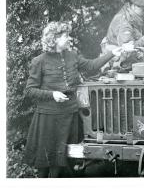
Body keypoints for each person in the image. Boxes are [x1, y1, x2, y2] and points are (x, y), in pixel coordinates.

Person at [24, 21, 126, 178]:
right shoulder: (39, 61)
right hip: (49, 118)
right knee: (47, 162)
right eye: (65, 36)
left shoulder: (72, 56)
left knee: (66, 160)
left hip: (70, 115)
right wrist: (52, 94)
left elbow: (92, 65)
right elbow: (30, 90)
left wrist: (112, 53)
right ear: (54, 39)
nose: (69, 38)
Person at [101, 0, 144, 71]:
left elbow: (135, 39)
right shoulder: (125, 22)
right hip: (118, 64)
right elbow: (127, 49)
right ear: (134, 6)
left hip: (124, 59)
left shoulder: (132, 17)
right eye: (143, 10)